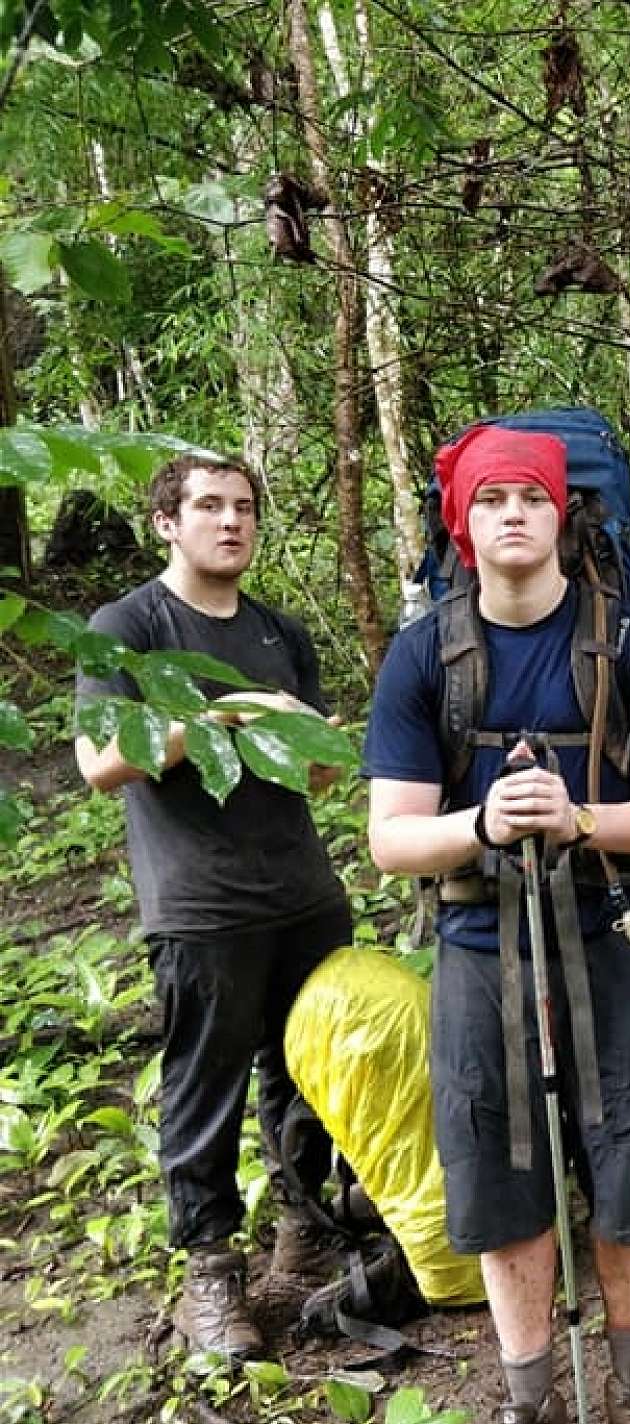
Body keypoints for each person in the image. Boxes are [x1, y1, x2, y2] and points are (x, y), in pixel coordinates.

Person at [364, 426, 630, 1424]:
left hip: (616, 930)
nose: (511, 514)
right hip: (481, 940)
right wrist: (482, 824)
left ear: (564, 517)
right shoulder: (425, 657)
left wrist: (579, 818)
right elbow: (392, 840)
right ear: (461, 526)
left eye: (531, 497)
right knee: (494, 1162)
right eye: (490, 499)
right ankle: (529, 1412)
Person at [74, 454, 352, 1360]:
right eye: (207, 506)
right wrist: (224, 716)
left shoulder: (279, 631)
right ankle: (211, 1273)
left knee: (307, 1071)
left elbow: (317, 773)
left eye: (243, 508)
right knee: (206, 1084)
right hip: (200, 902)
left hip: (302, 890)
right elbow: (100, 762)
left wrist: (316, 741)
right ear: (166, 522)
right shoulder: (128, 627)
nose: (230, 522)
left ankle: (306, 1231)